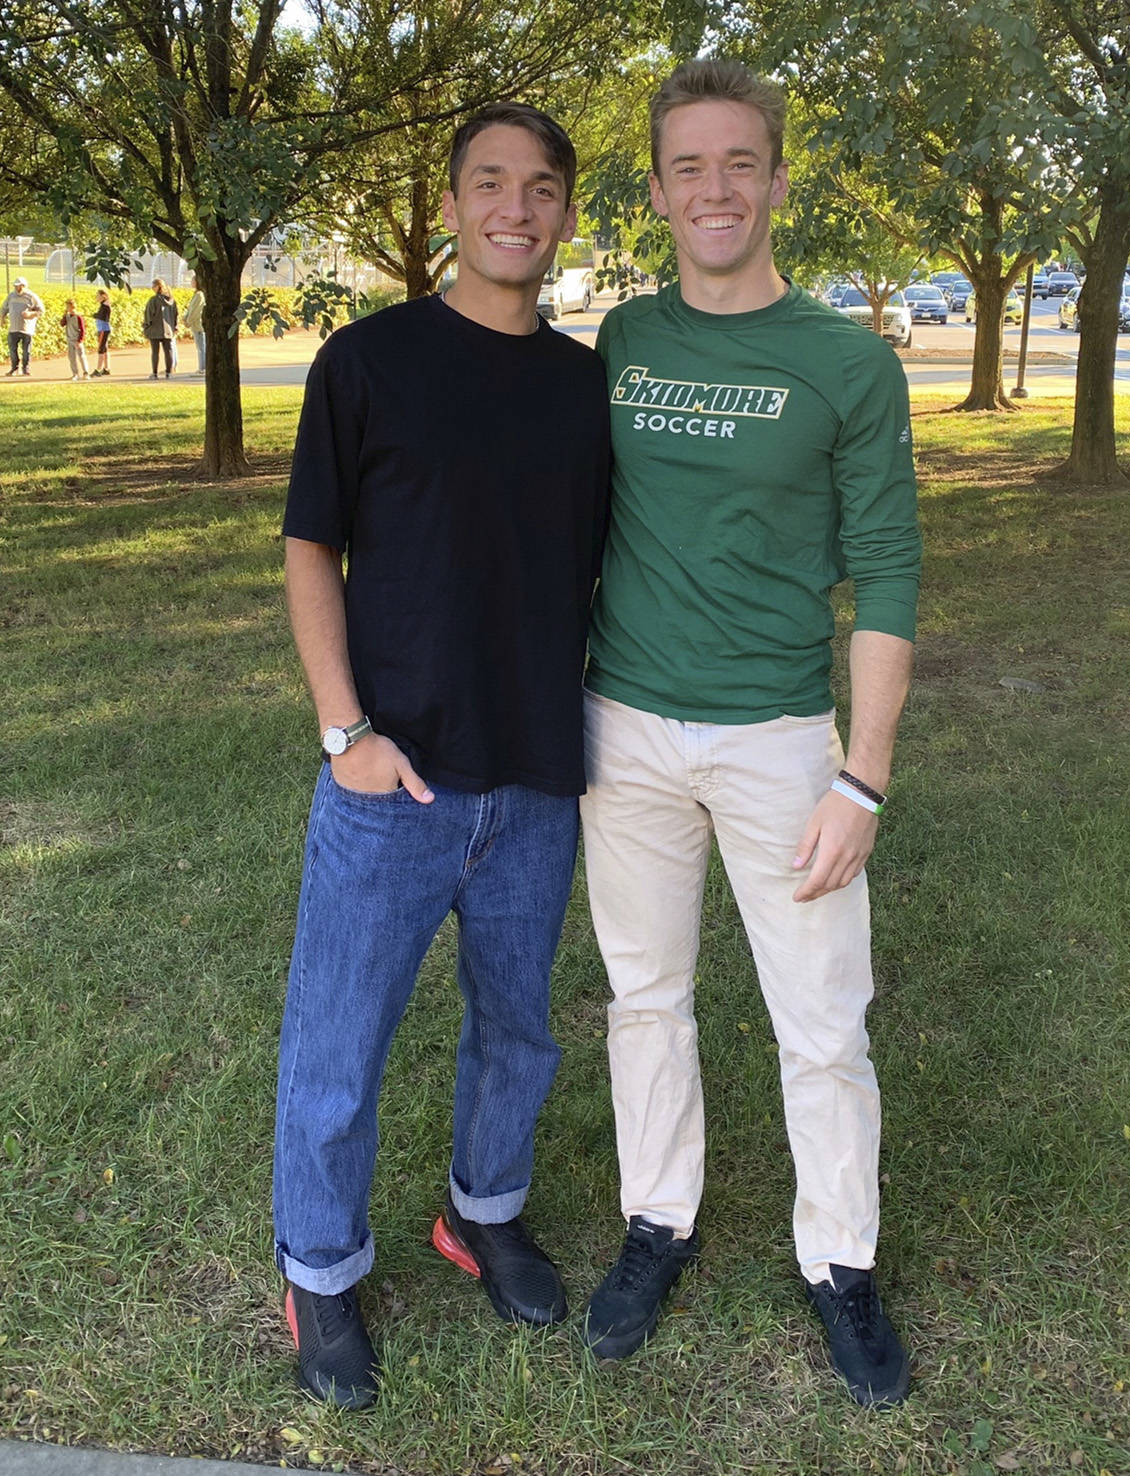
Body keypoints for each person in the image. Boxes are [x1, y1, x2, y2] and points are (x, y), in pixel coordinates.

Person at [578, 59, 921, 1410]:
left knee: (823, 1022)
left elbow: (887, 574)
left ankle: (841, 1260)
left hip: (781, 737)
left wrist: (865, 776)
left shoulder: (848, 361)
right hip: (624, 727)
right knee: (644, 998)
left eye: (739, 162)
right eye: (687, 166)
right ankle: (656, 1221)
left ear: (779, 178)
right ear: (657, 189)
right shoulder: (622, 341)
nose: (713, 188)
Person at [274, 102, 609, 1411]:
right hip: (393, 780)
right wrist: (344, 729)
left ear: (566, 212)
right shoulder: (369, 361)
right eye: (489, 184)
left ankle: (483, 1212)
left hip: (536, 772)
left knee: (517, 1029)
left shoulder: (585, 385)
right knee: (339, 1040)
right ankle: (318, 1266)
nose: (514, 208)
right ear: (453, 206)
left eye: (539, 188)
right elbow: (312, 544)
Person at [2, 277, 44, 375]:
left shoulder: (31, 296)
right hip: (13, 328)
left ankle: (26, 369)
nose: (18, 288)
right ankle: (14, 368)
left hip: (27, 329)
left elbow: (41, 311)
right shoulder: (11, 296)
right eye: (16, 286)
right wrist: (2, 318)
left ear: (24, 286)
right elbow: (4, 308)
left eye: (20, 286)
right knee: (12, 350)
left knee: (26, 351)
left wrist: (31, 314)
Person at [142, 278, 177, 378]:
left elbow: (149, 315)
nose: (152, 288)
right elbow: (175, 314)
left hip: (154, 329)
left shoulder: (153, 300)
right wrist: (174, 326)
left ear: (158, 287)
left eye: (153, 286)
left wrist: (146, 325)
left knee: (155, 352)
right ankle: (169, 372)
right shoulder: (171, 300)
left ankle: (154, 373)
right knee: (168, 351)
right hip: (168, 329)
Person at [60, 299, 91, 380]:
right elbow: (62, 324)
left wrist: (80, 340)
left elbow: (82, 329)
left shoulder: (78, 317)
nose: (67, 308)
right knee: (71, 357)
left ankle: (86, 372)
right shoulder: (67, 316)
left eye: (68, 306)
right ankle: (75, 373)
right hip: (69, 338)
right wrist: (64, 315)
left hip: (77, 339)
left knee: (81, 356)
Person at [183, 276, 205, 375]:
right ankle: (202, 367)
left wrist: (189, 321)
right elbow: (190, 310)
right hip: (195, 325)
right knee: (200, 347)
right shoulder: (196, 294)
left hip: (198, 325)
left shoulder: (200, 295)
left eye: (193, 280)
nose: (191, 282)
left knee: (201, 347)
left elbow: (196, 311)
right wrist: (185, 318)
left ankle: (203, 368)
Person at [92, 289, 112, 376]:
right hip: (103, 329)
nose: (96, 297)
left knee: (101, 349)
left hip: (103, 329)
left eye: (98, 295)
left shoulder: (105, 306)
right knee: (105, 349)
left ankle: (98, 369)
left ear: (103, 296)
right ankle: (106, 368)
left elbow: (104, 317)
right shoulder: (103, 306)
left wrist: (96, 315)